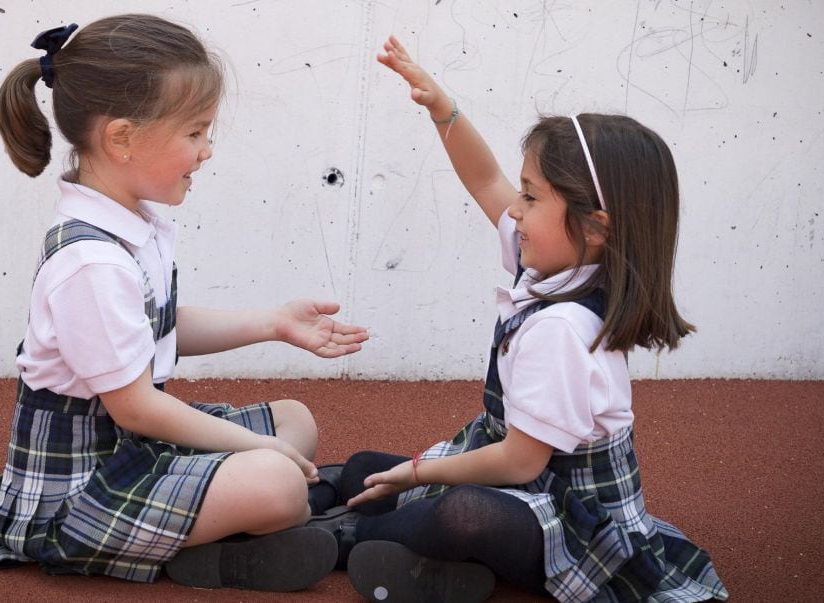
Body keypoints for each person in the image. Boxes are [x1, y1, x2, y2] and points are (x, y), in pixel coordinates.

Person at [311, 36, 729, 602]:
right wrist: (444, 110)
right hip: (527, 483)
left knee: (459, 514)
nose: (514, 209)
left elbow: (518, 460)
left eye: (530, 197)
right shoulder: (560, 263)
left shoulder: (565, 328)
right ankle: (345, 507)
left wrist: (416, 473)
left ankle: (341, 538)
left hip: (569, 520)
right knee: (365, 467)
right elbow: (485, 181)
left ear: (594, 225)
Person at [0, 14, 368, 593]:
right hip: (80, 490)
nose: (207, 150)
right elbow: (135, 408)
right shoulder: (91, 262)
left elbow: (162, 324)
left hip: (134, 449)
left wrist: (274, 323)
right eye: (195, 132)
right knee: (277, 480)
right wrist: (258, 448)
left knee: (294, 422)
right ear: (122, 137)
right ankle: (263, 536)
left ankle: (250, 520)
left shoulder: (132, 224)